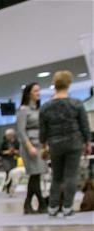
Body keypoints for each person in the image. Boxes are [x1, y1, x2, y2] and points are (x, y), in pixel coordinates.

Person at [40, 70, 91, 217]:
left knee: (57, 176)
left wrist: (44, 145)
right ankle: (67, 207)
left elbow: (43, 130)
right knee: (71, 175)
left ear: (54, 84)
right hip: (74, 142)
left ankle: (53, 206)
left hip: (55, 144)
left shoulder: (45, 107)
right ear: (69, 84)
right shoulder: (76, 104)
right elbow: (84, 125)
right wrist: (87, 142)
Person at [16, 82, 47, 214]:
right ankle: (41, 203)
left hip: (39, 145)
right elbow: (21, 131)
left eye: (39, 91)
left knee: (36, 175)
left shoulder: (38, 110)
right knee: (34, 174)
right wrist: (29, 147)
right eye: (35, 91)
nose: (38, 93)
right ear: (29, 94)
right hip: (29, 146)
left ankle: (29, 204)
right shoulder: (23, 110)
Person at [0, 129, 20, 194]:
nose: (8, 136)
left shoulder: (16, 142)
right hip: (6, 159)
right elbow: (0, 152)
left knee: (14, 174)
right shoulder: (4, 143)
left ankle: (12, 188)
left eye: (9, 135)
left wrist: (15, 151)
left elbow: (20, 150)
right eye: (7, 135)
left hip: (14, 158)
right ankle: (7, 187)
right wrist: (7, 152)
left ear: (12, 135)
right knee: (8, 172)